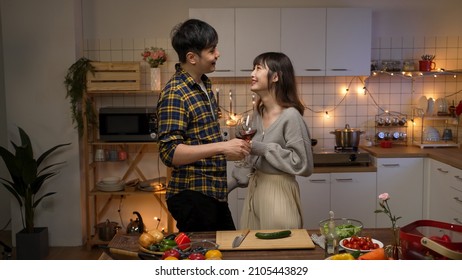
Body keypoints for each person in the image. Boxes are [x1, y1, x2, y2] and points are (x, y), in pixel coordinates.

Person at [156, 19, 251, 232]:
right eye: (211, 50)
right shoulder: (176, 93)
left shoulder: (204, 84)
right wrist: (222, 147)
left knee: (224, 254)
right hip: (193, 195)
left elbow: (199, 140)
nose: (218, 54)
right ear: (192, 57)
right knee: (205, 261)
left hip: (211, 192)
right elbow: (169, 153)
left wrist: (226, 152)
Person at [231, 52, 314, 230]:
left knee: (280, 252)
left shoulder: (291, 116)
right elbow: (253, 160)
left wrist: (263, 148)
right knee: (253, 252)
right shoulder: (257, 114)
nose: (252, 74)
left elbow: (304, 165)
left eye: (258, 68)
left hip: (279, 193)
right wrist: (228, 186)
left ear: (275, 76)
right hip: (256, 191)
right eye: (253, 68)